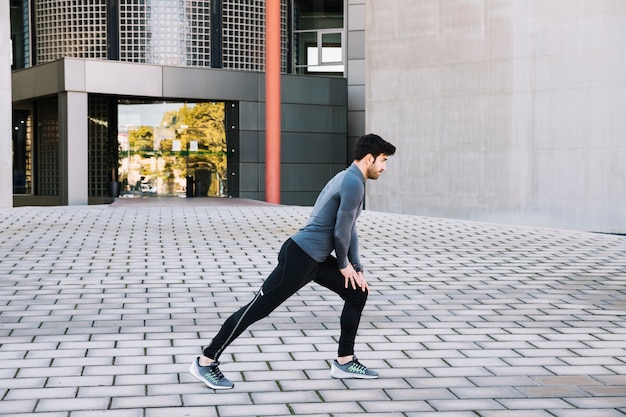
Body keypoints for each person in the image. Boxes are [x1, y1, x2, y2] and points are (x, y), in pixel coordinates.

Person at [189, 133, 397, 390]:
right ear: (369, 158)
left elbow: (350, 227)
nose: (384, 167)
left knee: (357, 293)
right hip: (300, 256)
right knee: (258, 308)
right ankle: (206, 360)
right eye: (383, 160)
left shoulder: (349, 178)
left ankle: (344, 361)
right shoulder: (353, 183)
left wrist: (356, 267)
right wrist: (343, 265)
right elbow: (340, 232)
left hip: (316, 259)